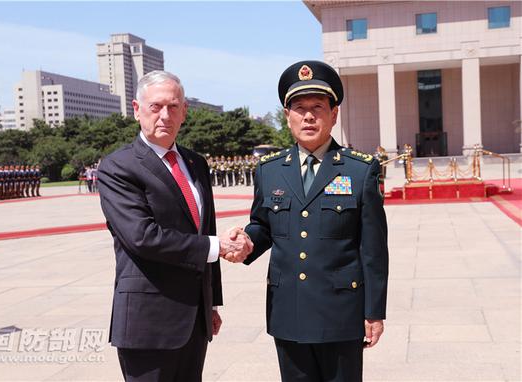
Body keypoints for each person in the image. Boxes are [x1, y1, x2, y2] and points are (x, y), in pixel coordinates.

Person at [237, 60, 389, 382]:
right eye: (299, 107)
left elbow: (373, 248)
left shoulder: (360, 170)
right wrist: (247, 241)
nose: (308, 116)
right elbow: (262, 225)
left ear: (334, 115)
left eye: (318, 107)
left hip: (341, 312)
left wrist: (374, 311)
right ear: (287, 115)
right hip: (288, 310)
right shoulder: (269, 169)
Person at [97, 70, 252, 382]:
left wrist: (212, 302)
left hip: (194, 318)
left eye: (173, 107)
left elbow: (205, 228)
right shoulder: (118, 166)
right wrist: (218, 246)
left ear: (185, 112)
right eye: (155, 107)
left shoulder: (195, 163)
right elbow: (142, 237)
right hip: (148, 322)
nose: (164, 115)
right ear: (136, 109)